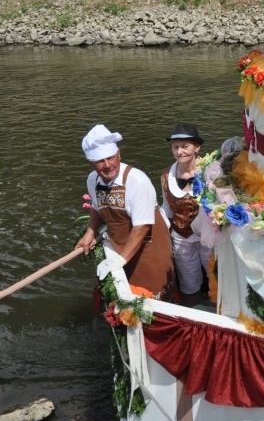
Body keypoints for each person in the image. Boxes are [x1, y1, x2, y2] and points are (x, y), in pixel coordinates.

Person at [75, 125, 175, 300]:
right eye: (100, 161)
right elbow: (97, 208)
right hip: (120, 244)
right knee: (127, 293)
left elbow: (142, 227)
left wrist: (119, 261)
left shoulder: (137, 181)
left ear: (119, 154)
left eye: (111, 158)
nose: (107, 165)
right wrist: (89, 233)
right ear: (90, 163)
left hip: (148, 247)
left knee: (153, 296)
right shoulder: (92, 180)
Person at [161, 123, 212, 307]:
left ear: (197, 147)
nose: (179, 151)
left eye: (185, 146)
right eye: (175, 147)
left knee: (217, 277)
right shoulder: (167, 175)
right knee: (188, 283)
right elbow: (166, 208)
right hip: (181, 237)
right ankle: (194, 317)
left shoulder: (210, 171)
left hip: (210, 237)